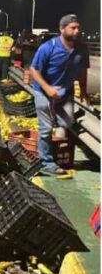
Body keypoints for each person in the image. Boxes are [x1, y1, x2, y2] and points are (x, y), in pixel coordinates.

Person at [30, 14, 90, 176]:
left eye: (78, 27)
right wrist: (48, 89)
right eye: (73, 27)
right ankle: (47, 163)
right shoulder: (48, 47)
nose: (77, 30)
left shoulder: (82, 49)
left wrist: (83, 92)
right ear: (62, 29)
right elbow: (34, 70)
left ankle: (56, 148)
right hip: (44, 90)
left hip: (66, 91)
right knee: (45, 129)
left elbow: (83, 71)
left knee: (67, 121)